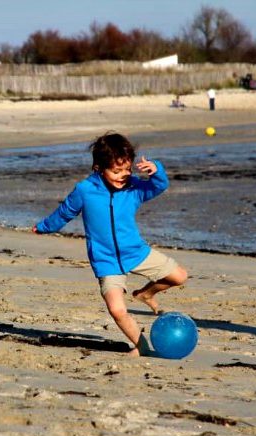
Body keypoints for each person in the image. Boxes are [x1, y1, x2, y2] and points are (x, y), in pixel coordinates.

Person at [33, 133, 187, 356]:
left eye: (127, 170)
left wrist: (157, 170)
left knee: (179, 276)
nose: (123, 176)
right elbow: (64, 213)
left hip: (136, 252)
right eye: (116, 171)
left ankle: (145, 294)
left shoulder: (134, 188)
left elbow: (158, 186)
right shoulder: (85, 190)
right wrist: (44, 226)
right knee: (116, 309)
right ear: (98, 167)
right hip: (106, 261)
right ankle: (140, 345)